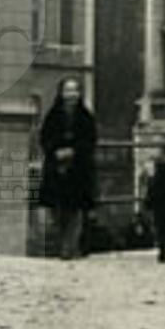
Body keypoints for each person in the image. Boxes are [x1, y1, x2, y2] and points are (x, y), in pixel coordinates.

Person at [39, 75, 97, 260]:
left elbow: (90, 140)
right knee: (56, 209)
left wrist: (74, 151)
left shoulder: (86, 117)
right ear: (61, 93)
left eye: (74, 91)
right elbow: (45, 138)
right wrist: (56, 151)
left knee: (76, 209)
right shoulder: (53, 115)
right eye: (68, 91)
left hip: (78, 169)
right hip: (56, 168)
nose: (71, 95)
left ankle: (70, 247)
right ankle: (58, 245)